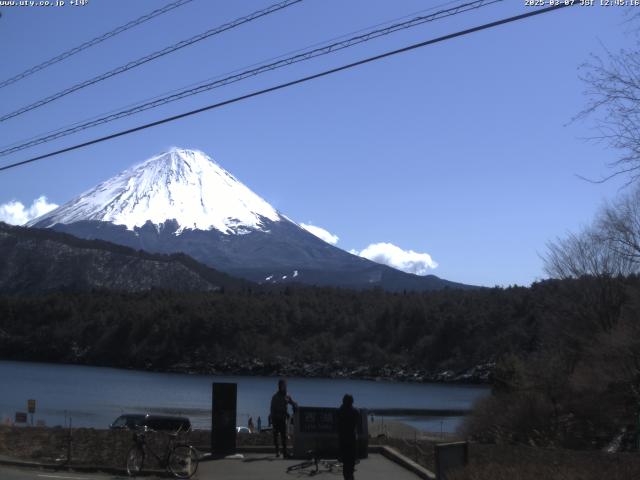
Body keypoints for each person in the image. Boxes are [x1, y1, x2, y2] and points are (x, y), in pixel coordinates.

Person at [270, 378, 297, 457]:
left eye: (285, 385)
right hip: (276, 418)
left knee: (284, 436)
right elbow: (272, 408)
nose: (284, 387)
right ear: (279, 386)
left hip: (283, 418)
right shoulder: (275, 397)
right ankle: (277, 451)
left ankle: (285, 452)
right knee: (276, 435)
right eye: (283, 385)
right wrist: (272, 419)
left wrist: (295, 404)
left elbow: (292, 402)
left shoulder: (287, 395)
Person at [337, 394, 359, 480]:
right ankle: (350, 477)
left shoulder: (340, 411)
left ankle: (347, 477)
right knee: (350, 462)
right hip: (352, 438)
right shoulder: (355, 412)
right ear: (352, 402)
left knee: (345, 463)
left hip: (343, 438)